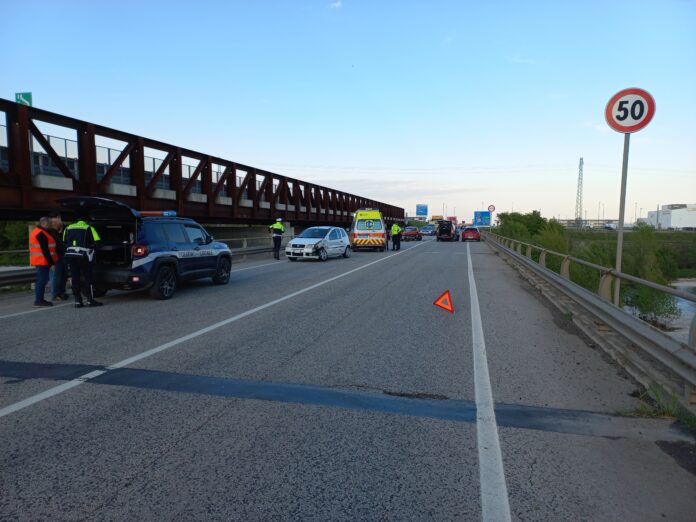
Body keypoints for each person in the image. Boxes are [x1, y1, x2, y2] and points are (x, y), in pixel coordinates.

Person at [64, 215, 103, 307]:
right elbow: (98, 242)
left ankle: (78, 301)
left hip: (70, 255)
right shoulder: (89, 228)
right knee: (88, 278)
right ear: (86, 221)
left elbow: (64, 241)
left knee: (75, 278)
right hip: (83, 256)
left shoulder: (68, 228)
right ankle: (90, 300)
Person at [29, 216, 58, 307]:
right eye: (49, 223)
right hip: (42, 261)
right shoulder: (41, 233)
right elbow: (45, 250)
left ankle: (39, 300)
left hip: (41, 261)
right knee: (42, 281)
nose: (51, 225)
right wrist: (52, 263)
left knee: (41, 280)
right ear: (45, 224)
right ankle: (39, 301)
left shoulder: (39, 232)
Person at [48, 210, 69, 301]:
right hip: (55, 257)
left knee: (64, 276)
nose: (53, 224)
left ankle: (62, 293)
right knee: (56, 276)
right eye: (52, 222)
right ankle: (55, 294)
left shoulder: (67, 228)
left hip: (66, 255)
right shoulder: (50, 231)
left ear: (59, 218)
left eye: (55, 221)